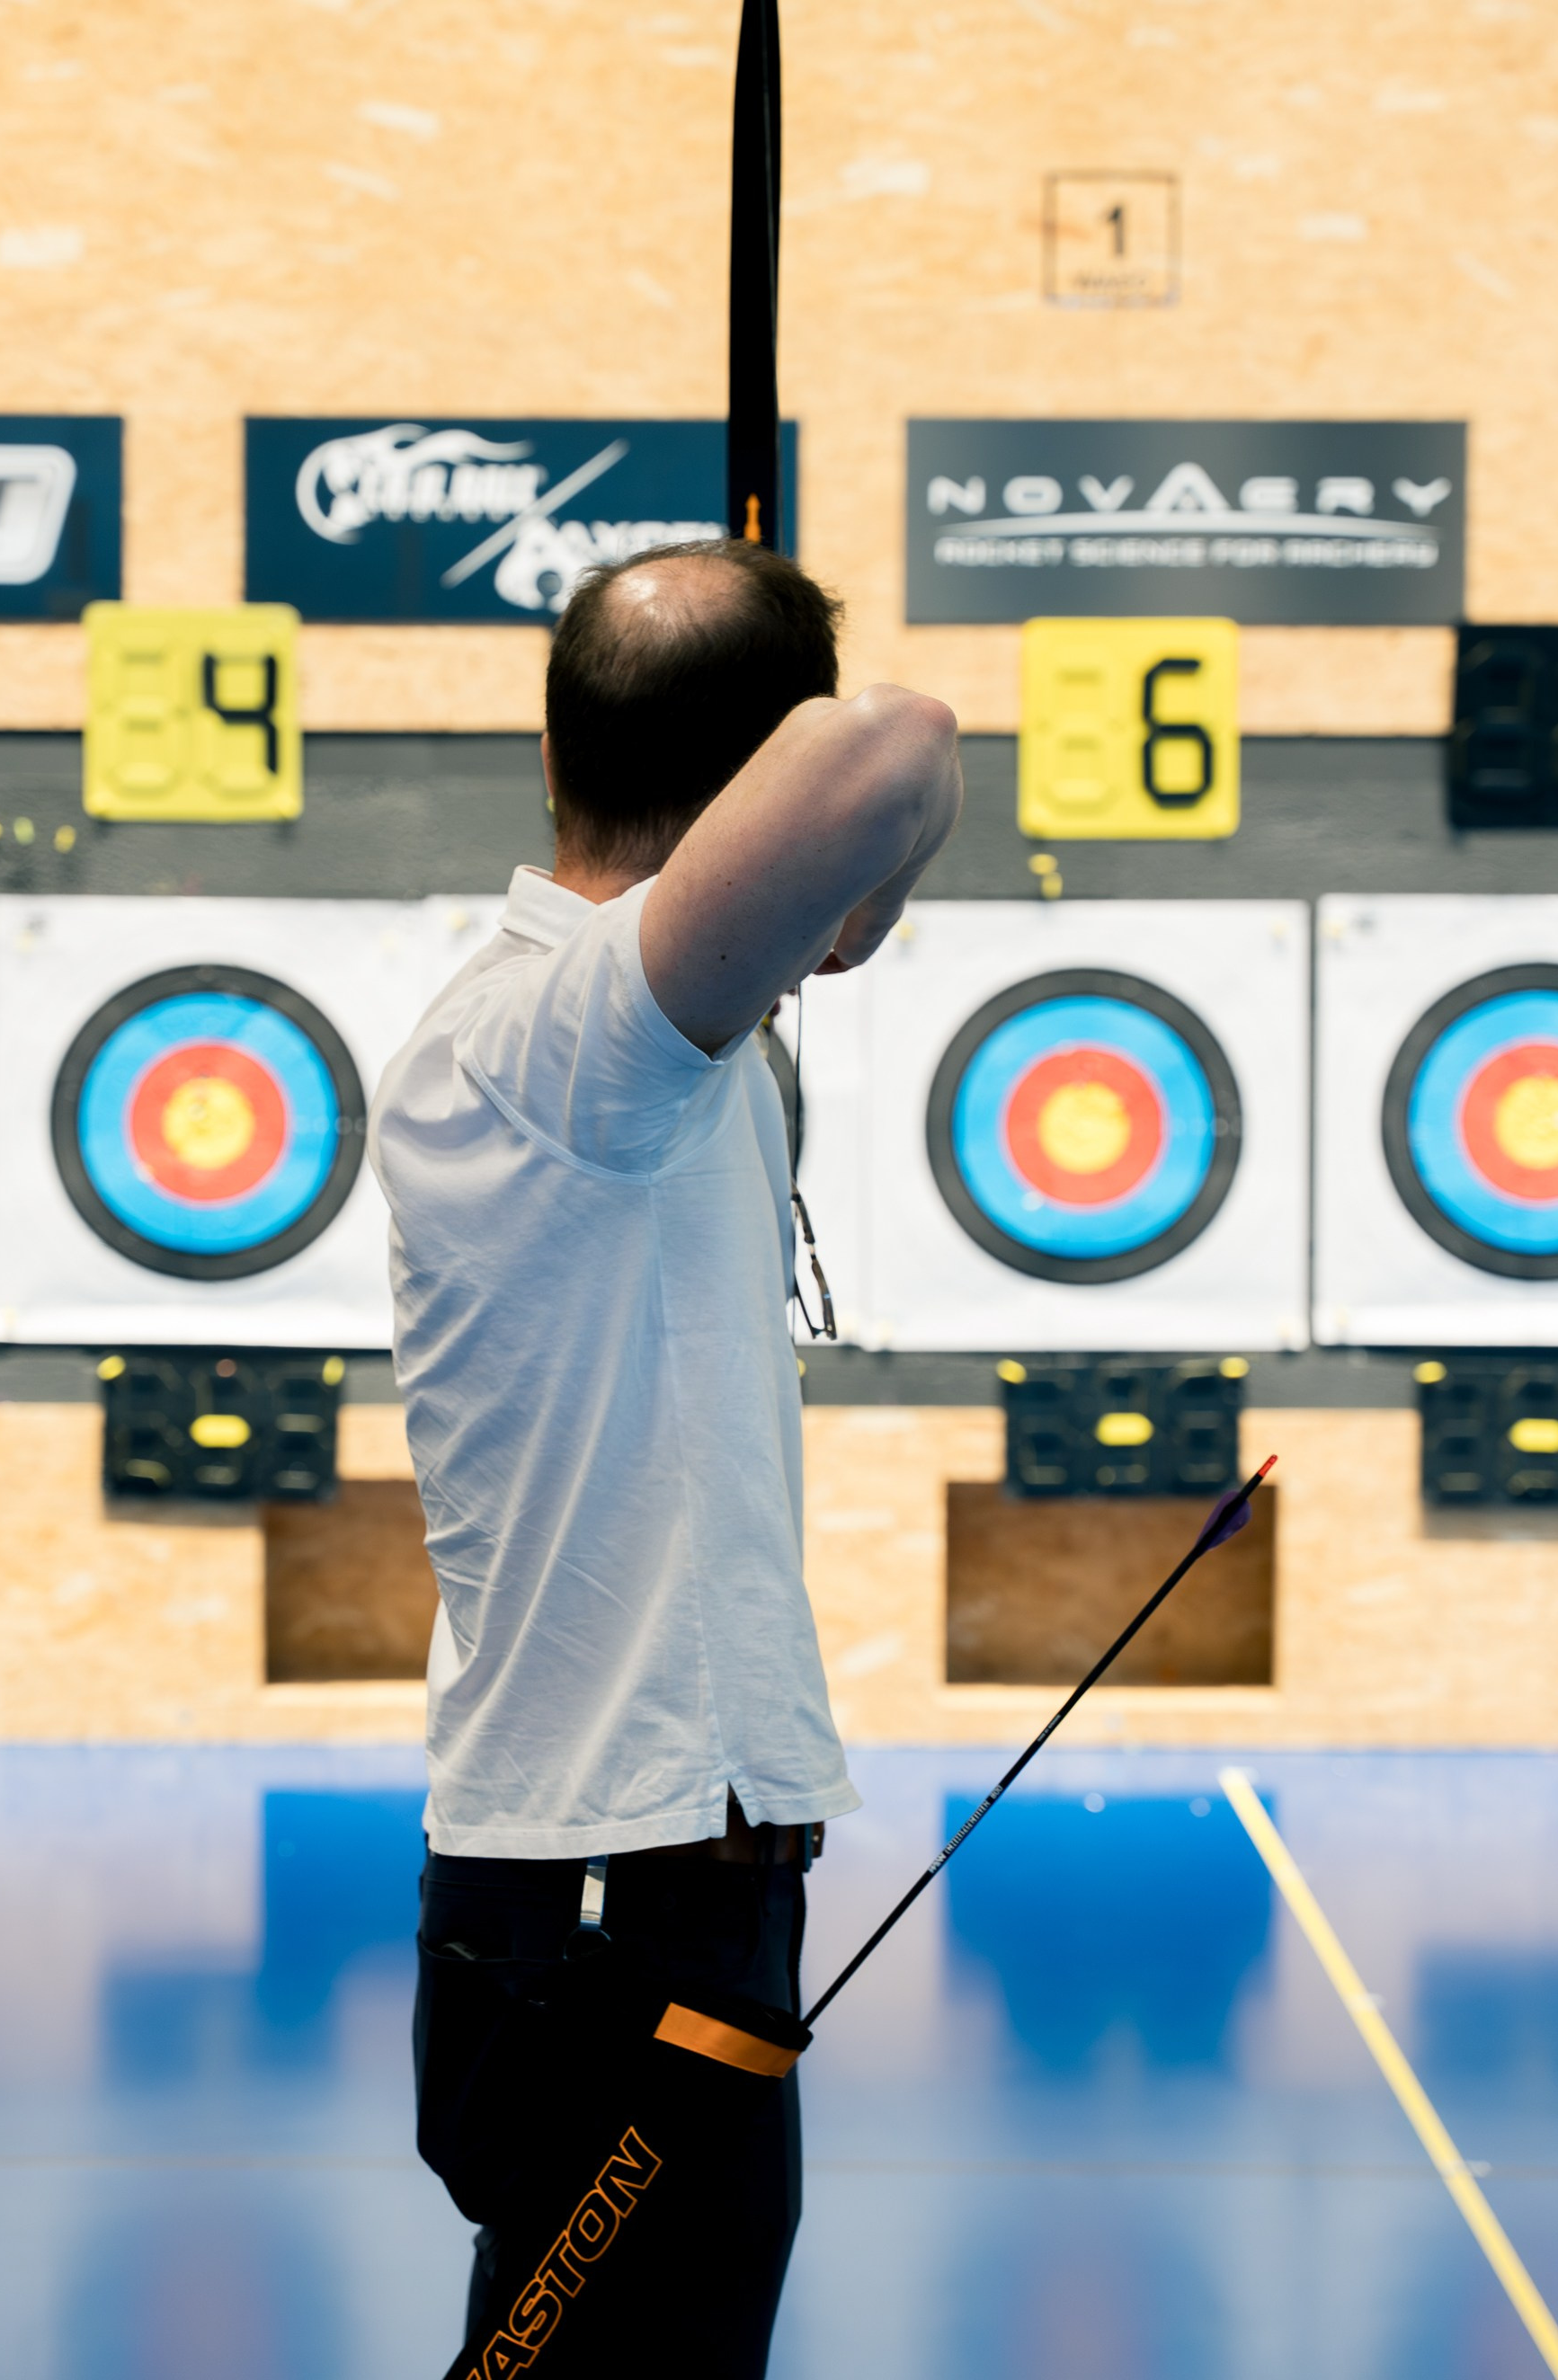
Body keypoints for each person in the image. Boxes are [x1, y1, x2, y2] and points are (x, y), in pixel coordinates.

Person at [371, 538, 962, 2375]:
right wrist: (825, 850)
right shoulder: (578, 1039)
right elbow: (894, 741)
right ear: (737, 807)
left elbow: (841, 828)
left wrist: (823, 905)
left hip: (631, 1891)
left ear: (555, 756)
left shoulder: (601, 1038)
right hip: (616, 1915)